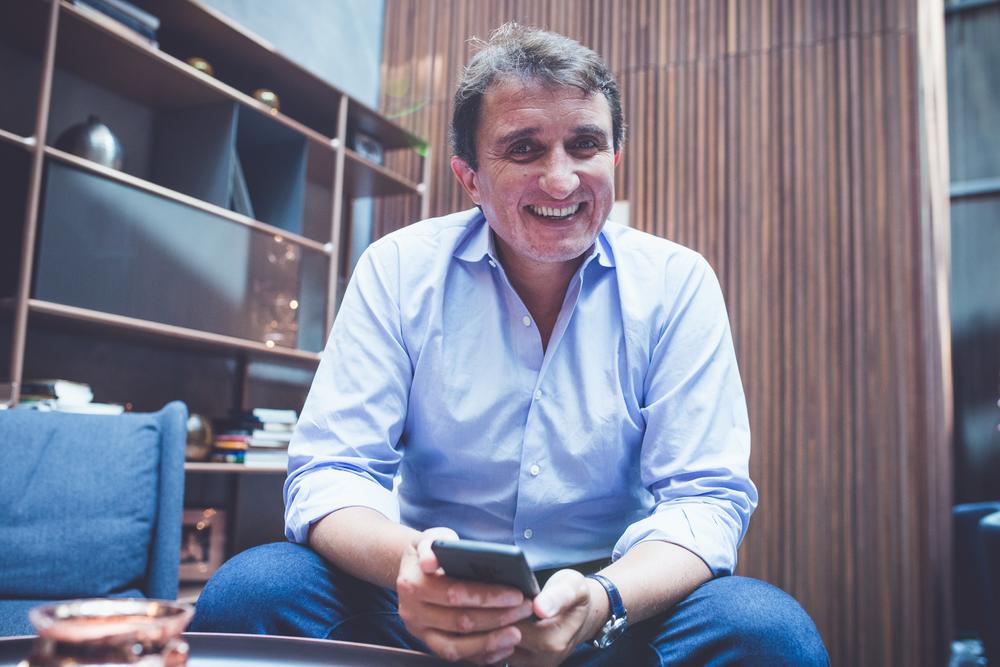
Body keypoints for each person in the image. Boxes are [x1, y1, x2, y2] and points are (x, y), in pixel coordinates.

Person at [192, 22, 829, 667]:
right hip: (422, 594)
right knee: (254, 592)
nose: (561, 180)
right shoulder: (399, 269)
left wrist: (602, 601)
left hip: (608, 600)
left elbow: (705, 498)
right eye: (524, 149)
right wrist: (414, 567)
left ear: (614, 158)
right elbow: (331, 471)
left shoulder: (676, 282)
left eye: (585, 145)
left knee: (766, 631)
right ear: (469, 178)